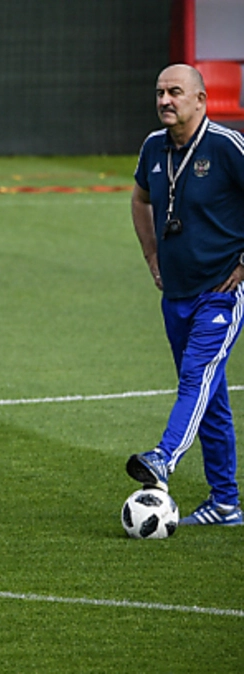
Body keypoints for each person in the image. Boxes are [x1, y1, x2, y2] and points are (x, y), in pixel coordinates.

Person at [126, 63, 244, 527]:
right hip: (175, 293)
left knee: (196, 377)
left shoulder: (226, 145)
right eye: (159, 92)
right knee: (208, 398)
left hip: (221, 292)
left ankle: (163, 458)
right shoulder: (153, 147)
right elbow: (140, 199)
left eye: (175, 92)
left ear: (200, 99)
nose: (164, 100)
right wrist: (150, 254)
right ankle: (226, 503)